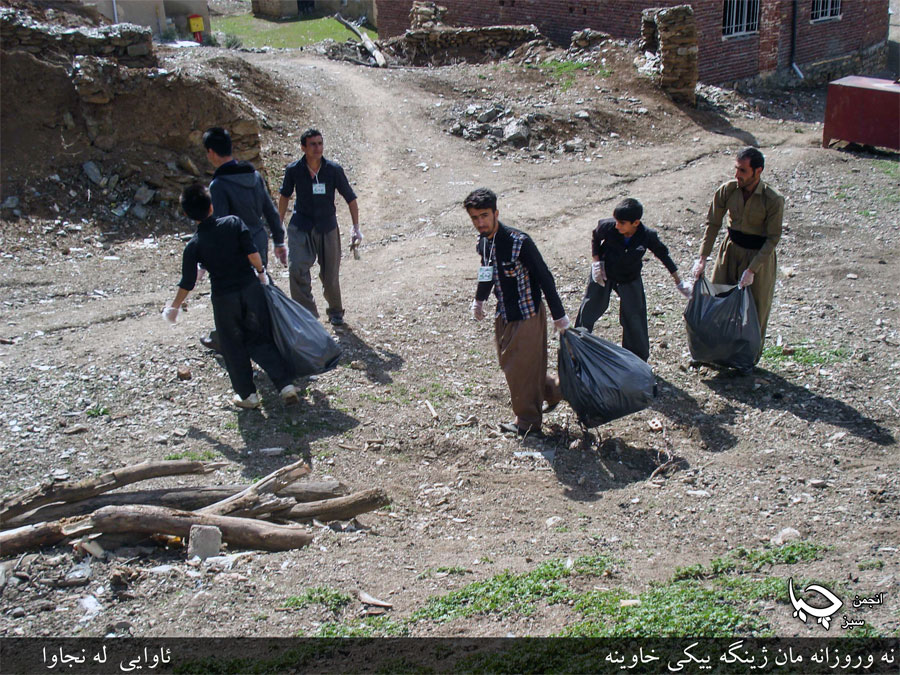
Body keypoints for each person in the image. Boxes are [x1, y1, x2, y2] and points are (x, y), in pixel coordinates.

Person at [163, 184, 299, 409]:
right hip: (250, 289)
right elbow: (253, 253)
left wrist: (174, 307)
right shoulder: (233, 223)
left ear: (187, 214)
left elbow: (188, 282)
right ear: (211, 206)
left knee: (233, 345)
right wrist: (261, 273)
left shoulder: (194, 245)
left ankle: (247, 395)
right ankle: (285, 385)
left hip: (224, 299)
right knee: (261, 337)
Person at [466, 188, 570, 437]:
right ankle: (556, 390)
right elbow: (487, 273)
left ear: (496, 213)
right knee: (514, 364)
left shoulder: (519, 242)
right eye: (475, 218)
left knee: (518, 368)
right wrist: (479, 300)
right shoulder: (484, 243)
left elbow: (544, 277)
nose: (480, 222)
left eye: (484, 216)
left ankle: (527, 423)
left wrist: (559, 316)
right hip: (504, 313)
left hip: (527, 315)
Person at [692, 147, 784, 362]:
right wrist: (702, 259)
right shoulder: (727, 190)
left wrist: (752, 270)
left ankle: (747, 359)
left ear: (758, 171)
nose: (737, 175)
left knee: (756, 308)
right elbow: (713, 224)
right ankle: (713, 353)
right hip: (730, 250)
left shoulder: (772, 199)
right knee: (717, 299)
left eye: (743, 171)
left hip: (758, 257)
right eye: (736, 169)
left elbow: (773, 238)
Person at [200, 127, 286, 352]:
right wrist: (278, 240)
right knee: (258, 287)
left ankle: (230, 339)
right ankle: (276, 331)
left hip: (235, 248)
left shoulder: (219, 185)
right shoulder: (254, 176)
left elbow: (220, 225)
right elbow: (270, 211)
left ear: (211, 152)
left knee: (231, 294)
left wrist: (206, 257)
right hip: (258, 240)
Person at [575, 198, 689, 361]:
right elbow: (595, 237)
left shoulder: (647, 236)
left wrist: (678, 281)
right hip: (605, 273)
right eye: (616, 221)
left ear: (635, 223)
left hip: (629, 276)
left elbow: (663, 255)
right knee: (590, 307)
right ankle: (577, 346)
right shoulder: (607, 227)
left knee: (634, 316)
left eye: (622, 223)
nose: (617, 226)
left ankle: (636, 359)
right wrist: (596, 263)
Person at [278, 129, 362, 326]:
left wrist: (356, 227)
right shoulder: (294, 170)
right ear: (303, 147)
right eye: (313, 144)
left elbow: (350, 198)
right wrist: (278, 225)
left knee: (330, 274)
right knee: (296, 269)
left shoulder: (333, 170)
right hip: (301, 225)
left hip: (327, 226)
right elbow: (284, 196)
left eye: (320, 143)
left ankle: (335, 312)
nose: (317, 148)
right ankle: (307, 315)